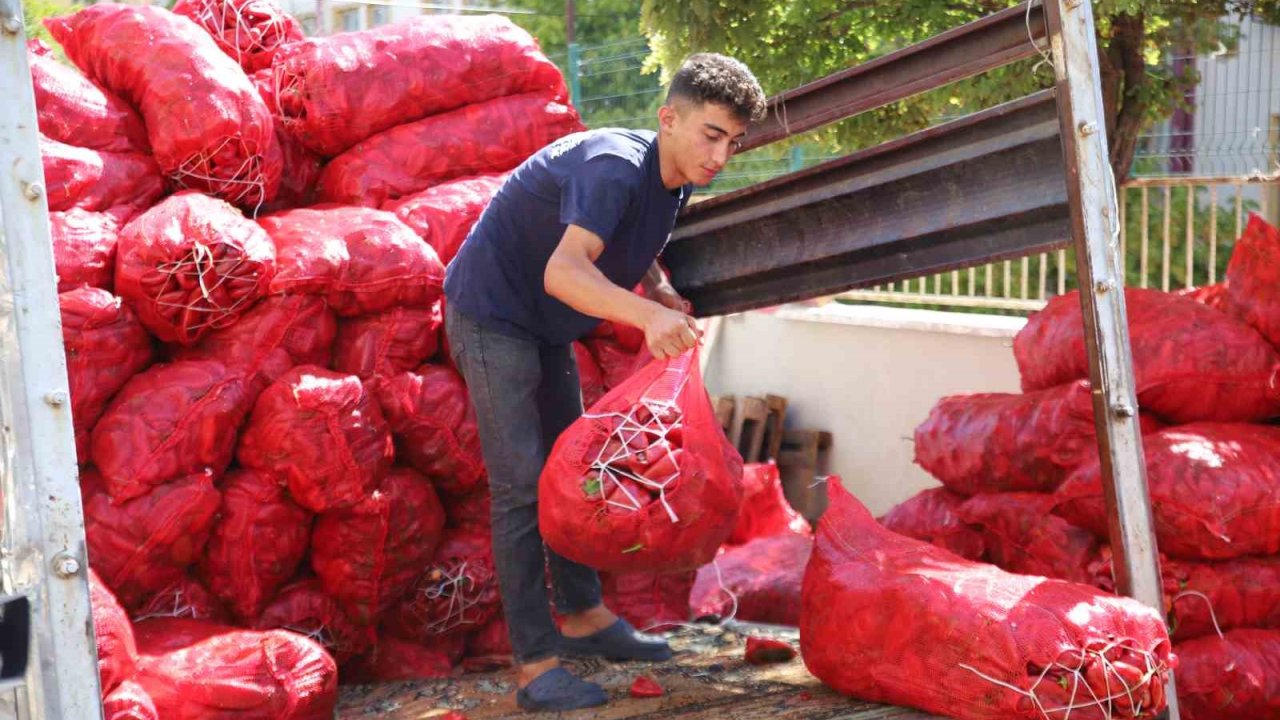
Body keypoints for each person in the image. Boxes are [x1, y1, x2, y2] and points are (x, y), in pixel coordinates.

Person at [442, 52, 767, 712]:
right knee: (520, 485)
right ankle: (535, 666)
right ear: (667, 118)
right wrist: (645, 316)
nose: (721, 156)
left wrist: (660, 289)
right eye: (712, 134)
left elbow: (632, 240)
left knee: (577, 468)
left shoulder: (674, 179)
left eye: (734, 142)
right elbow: (565, 272)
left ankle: (585, 614)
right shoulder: (613, 166)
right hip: (492, 313)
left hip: (546, 327)